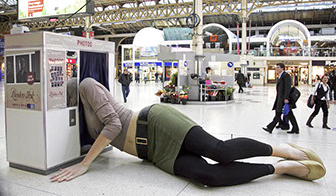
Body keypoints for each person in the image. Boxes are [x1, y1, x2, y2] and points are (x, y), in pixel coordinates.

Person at [51, 77, 326, 186]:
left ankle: (284, 150)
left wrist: (85, 164)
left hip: (155, 122)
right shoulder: (73, 109)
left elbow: (114, 125)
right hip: (153, 152)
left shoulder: (85, 85)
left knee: (219, 151)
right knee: (207, 176)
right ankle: (279, 168)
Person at [263, 63, 300, 134]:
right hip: (280, 98)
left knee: (283, 114)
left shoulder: (286, 76)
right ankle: (295, 128)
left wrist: (286, 98)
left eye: (278, 67)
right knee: (283, 113)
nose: (276, 69)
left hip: (283, 99)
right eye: (276, 67)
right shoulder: (281, 76)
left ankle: (271, 127)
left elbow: (287, 87)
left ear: (282, 68)